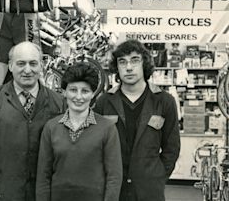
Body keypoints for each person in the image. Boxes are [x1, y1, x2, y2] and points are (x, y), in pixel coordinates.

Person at [0, 41, 66, 201]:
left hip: (42, 195)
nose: (27, 70)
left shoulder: (58, 103)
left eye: (33, 63)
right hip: (0, 194)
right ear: (10, 66)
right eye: (21, 63)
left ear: (41, 65)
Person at [94, 39, 180, 201]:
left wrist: (158, 176)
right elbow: (96, 147)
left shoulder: (164, 101)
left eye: (135, 60)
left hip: (149, 190)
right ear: (116, 67)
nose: (128, 67)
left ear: (144, 64)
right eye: (122, 62)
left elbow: (172, 147)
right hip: (113, 189)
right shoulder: (104, 102)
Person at [36, 62, 122, 201]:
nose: (79, 97)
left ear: (93, 93)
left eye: (85, 91)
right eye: (73, 90)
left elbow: (114, 177)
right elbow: (43, 177)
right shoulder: (51, 128)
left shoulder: (107, 128)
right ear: (64, 92)